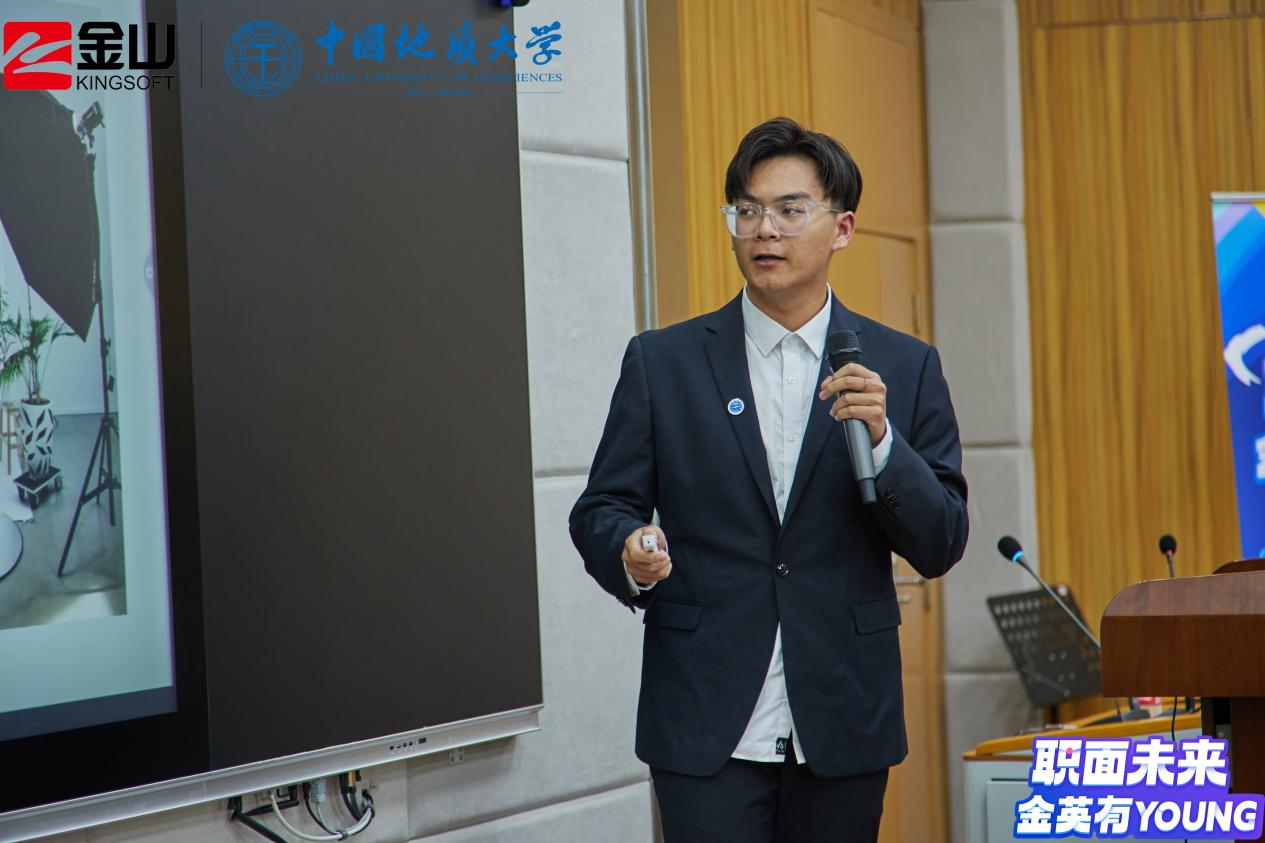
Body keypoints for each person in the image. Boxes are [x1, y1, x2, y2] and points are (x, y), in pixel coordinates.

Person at [568, 116, 968, 843]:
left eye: (789, 210)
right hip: (704, 715)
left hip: (843, 711)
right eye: (747, 210)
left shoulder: (903, 366)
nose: (764, 230)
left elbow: (941, 540)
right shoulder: (664, 362)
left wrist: (884, 443)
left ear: (842, 228)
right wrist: (628, 548)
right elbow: (602, 505)